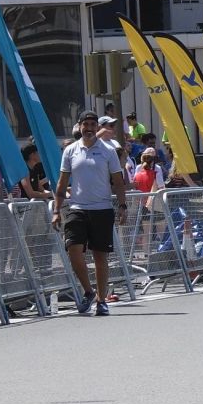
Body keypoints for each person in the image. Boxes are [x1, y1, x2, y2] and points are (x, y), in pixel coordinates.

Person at [54, 110, 128, 316]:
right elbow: (62, 183)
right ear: (79, 126)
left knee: (99, 257)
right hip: (77, 208)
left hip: (102, 209)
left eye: (92, 124)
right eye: (85, 124)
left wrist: (122, 206)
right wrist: (56, 210)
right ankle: (88, 291)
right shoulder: (70, 150)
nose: (89, 128)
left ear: (97, 127)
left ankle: (102, 300)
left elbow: (119, 182)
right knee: (73, 250)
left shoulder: (108, 151)